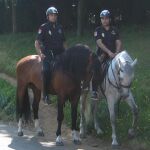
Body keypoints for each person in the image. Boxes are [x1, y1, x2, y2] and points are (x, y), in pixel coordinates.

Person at [35, 7, 66, 104]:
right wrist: (40, 53)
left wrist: (67, 52)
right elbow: (37, 42)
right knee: (46, 70)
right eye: (51, 15)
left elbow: (64, 42)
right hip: (48, 55)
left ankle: (65, 92)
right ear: (48, 16)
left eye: (55, 15)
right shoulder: (43, 27)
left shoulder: (60, 27)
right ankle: (45, 94)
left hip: (60, 54)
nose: (54, 17)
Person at [92, 9, 122, 100]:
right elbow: (99, 43)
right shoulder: (98, 30)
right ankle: (94, 91)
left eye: (106, 18)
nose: (105, 20)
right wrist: (109, 52)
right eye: (103, 18)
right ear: (101, 20)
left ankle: (123, 89)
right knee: (96, 68)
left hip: (114, 54)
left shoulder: (115, 30)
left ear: (109, 19)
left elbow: (118, 42)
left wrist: (117, 52)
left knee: (123, 68)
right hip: (103, 54)